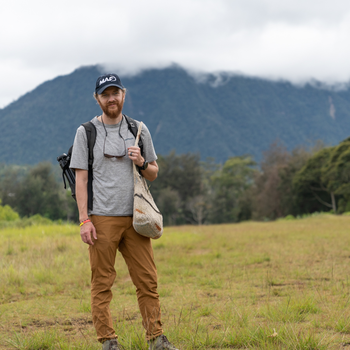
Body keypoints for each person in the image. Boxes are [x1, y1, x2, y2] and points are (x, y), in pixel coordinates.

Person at [70, 73, 179, 350]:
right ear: (97, 99)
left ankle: (156, 339)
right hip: (101, 218)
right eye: (105, 94)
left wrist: (141, 161)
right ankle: (108, 341)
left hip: (137, 218)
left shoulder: (138, 129)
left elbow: (154, 173)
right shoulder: (86, 132)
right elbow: (81, 180)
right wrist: (84, 219)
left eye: (115, 93)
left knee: (147, 281)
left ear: (124, 95)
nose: (111, 98)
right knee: (102, 283)